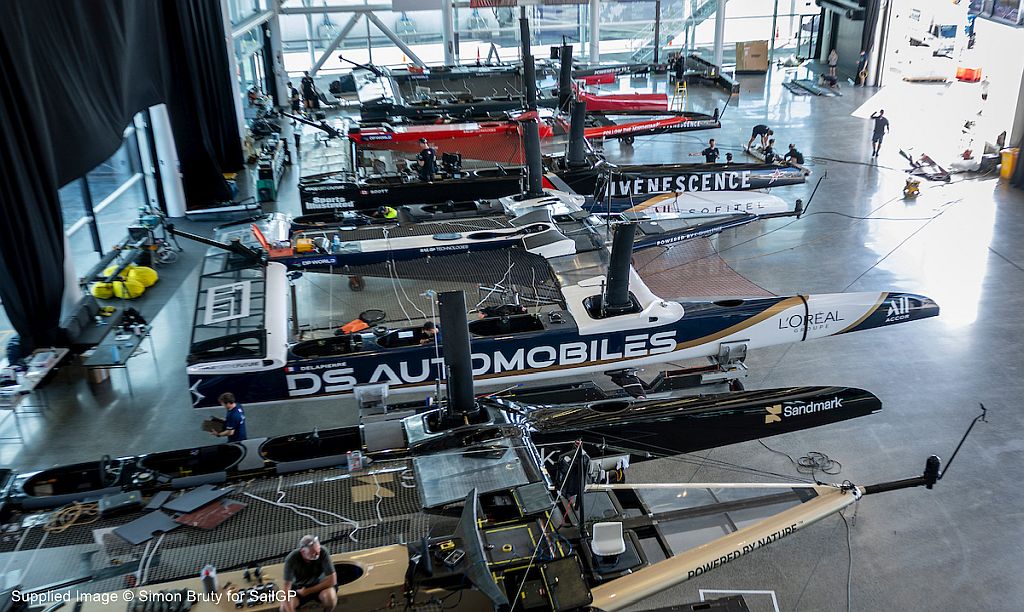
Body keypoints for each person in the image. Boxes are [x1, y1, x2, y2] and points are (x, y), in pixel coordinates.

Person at [280, 535, 337, 612]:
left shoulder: (323, 552)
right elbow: (286, 590)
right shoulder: (292, 559)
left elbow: (332, 580)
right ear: (303, 552)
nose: (317, 555)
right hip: (299, 589)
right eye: (313, 553)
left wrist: (308, 591)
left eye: (318, 551)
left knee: (330, 597)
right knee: (284, 608)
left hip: (319, 585)